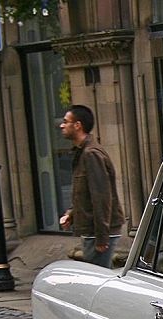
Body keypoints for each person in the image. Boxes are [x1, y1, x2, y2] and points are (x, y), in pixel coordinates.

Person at [58, 105, 125, 268]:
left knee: (98, 277)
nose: (61, 125)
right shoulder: (82, 152)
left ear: (78, 125)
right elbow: (84, 193)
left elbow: (101, 197)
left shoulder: (91, 154)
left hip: (98, 233)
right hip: (93, 231)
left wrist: (102, 236)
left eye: (66, 122)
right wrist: (71, 214)